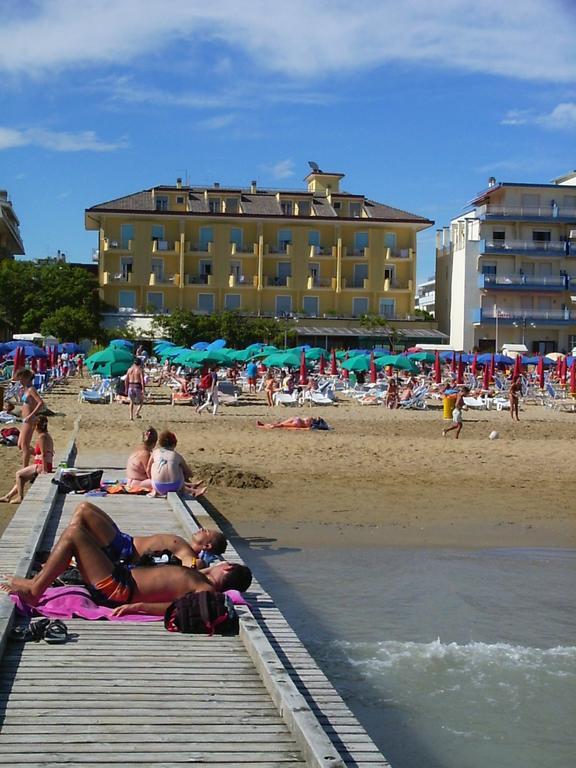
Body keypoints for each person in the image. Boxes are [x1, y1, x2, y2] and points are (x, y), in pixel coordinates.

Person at [1, 521, 252, 613]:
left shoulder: (205, 591)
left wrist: (139, 606)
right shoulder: (203, 580)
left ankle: (34, 590)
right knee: (77, 531)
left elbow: (174, 608)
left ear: (227, 568)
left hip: (119, 588)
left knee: (75, 534)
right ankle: (35, 584)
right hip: (120, 577)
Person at [68, 501, 227, 569]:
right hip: (125, 540)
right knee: (85, 507)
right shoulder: (186, 547)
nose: (202, 529)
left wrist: (204, 566)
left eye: (206, 532)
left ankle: (66, 549)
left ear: (207, 545)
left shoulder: (188, 555)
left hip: (124, 550)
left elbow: (192, 566)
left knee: (83, 511)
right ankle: (69, 549)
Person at [0, 415, 54, 504]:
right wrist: (30, 450)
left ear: (37, 426)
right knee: (22, 479)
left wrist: (44, 470)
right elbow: (43, 452)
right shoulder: (46, 435)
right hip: (43, 464)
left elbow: (44, 454)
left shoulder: (42, 437)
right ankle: (8, 496)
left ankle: (20, 497)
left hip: (41, 465)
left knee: (19, 474)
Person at [147, 430, 205, 498]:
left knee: (154, 465)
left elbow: (148, 469)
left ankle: (190, 486)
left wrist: (152, 479)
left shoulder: (155, 452)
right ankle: (191, 491)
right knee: (179, 468)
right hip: (174, 487)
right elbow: (189, 473)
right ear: (174, 444)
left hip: (158, 486)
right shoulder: (176, 455)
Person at [13, 368, 44, 468]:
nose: (20, 381)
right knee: (20, 445)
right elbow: (25, 403)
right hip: (25, 419)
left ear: (27, 378)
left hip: (29, 420)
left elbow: (40, 403)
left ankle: (24, 468)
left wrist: (31, 415)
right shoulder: (26, 389)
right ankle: (39, 455)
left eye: (21, 379)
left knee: (25, 446)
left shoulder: (31, 389)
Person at [257, 416, 329, 430]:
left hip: (297, 419)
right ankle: (262, 426)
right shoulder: (311, 425)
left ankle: (263, 425)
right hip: (298, 423)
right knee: (280, 425)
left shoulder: (312, 419)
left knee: (279, 424)